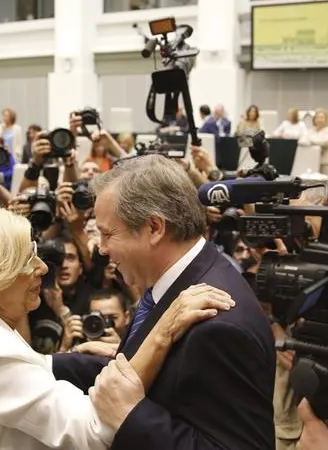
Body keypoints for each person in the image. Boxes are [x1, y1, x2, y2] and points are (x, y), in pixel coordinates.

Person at [0, 202, 234, 449]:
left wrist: (109, 358)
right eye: (26, 259)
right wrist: (162, 333)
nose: (42, 268)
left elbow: (20, 374)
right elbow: (93, 430)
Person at [52, 155, 276, 449]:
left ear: (154, 228)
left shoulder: (217, 326)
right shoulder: (173, 280)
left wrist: (130, 415)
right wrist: (38, 365)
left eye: (108, 234)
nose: (101, 249)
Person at [298, 108, 328, 178]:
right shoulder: (310, 130)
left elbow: (325, 142)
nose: (319, 120)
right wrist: (314, 141)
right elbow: (301, 141)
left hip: (326, 163)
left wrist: (310, 141)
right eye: (317, 118)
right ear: (314, 119)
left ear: (326, 119)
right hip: (312, 163)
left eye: (322, 118)